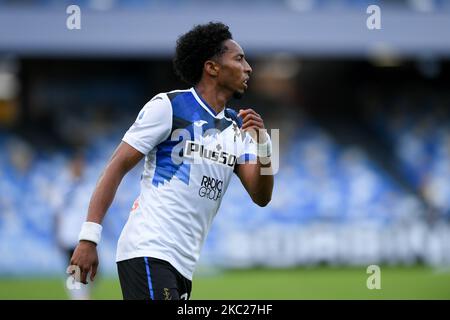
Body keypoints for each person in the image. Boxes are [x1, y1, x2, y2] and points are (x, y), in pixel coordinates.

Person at [70, 21, 274, 300]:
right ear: (212, 67)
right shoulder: (168, 106)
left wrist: (264, 145)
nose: (248, 67)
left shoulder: (238, 128)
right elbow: (116, 167)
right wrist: (88, 237)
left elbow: (261, 196)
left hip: (183, 265)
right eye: (239, 59)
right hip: (149, 249)